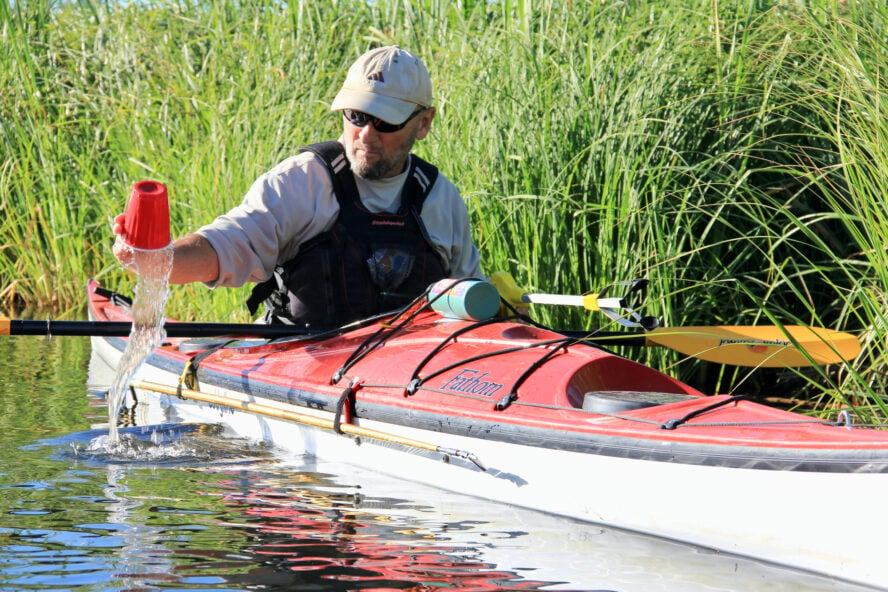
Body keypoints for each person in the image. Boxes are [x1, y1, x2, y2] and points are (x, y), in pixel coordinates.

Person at [114, 46, 483, 328]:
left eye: (385, 122)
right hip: (301, 367)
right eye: (357, 115)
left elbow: (472, 303)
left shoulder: (440, 198)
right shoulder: (302, 182)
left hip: (405, 378)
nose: (366, 134)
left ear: (423, 123)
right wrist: (157, 261)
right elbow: (223, 246)